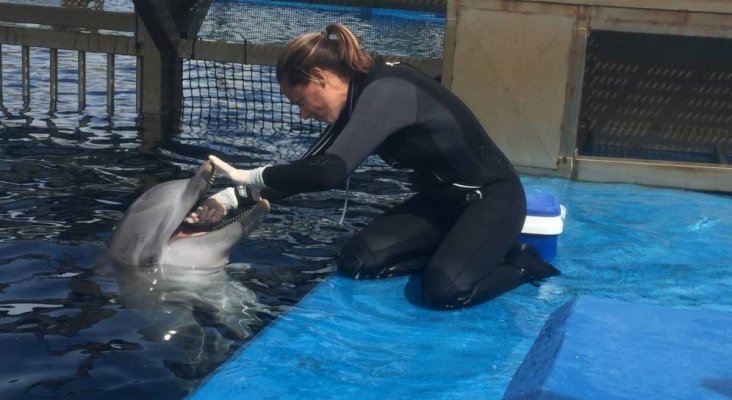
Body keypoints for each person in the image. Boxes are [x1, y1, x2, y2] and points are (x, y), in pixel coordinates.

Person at [185, 23, 559, 309]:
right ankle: (457, 250)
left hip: (492, 199)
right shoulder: (354, 101)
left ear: (320, 77)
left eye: (301, 99)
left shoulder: (387, 90)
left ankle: (521, 263)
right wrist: (233, 197)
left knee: (445, 292)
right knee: (358, 262)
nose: (303, 113)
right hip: (440, 203)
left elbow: (331, 172)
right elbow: (307, 170)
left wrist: (248, 174)